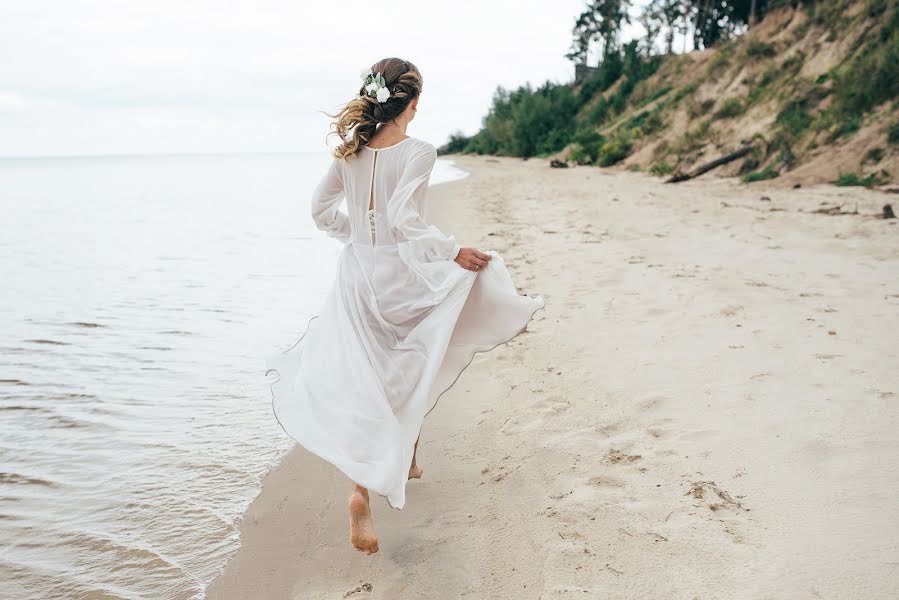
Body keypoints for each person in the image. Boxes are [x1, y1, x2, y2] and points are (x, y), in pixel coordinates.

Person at [267, 57, 543, 555]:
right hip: (401, 271)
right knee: (416, 358)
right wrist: (450, 251)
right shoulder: (419, 151)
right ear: (412, 103)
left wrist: (353, 236)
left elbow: (319, 211)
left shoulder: (349, 152)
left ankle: (363, 488)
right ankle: (402, 454)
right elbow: (404, 218)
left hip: (357, 273)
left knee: (365, 375)